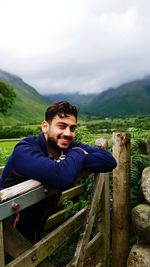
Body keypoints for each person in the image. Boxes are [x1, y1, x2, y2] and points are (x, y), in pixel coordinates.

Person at [0, 101, 117, 244]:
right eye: (61, 126)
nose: (68, 134)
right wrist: (78, 152)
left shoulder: (67, 147)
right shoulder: (24, 150)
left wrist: (73, 155)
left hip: (35, 235)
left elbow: (108, 161)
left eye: (72, 128)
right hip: (6, 237)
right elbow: (63, 177)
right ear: (45, 126)